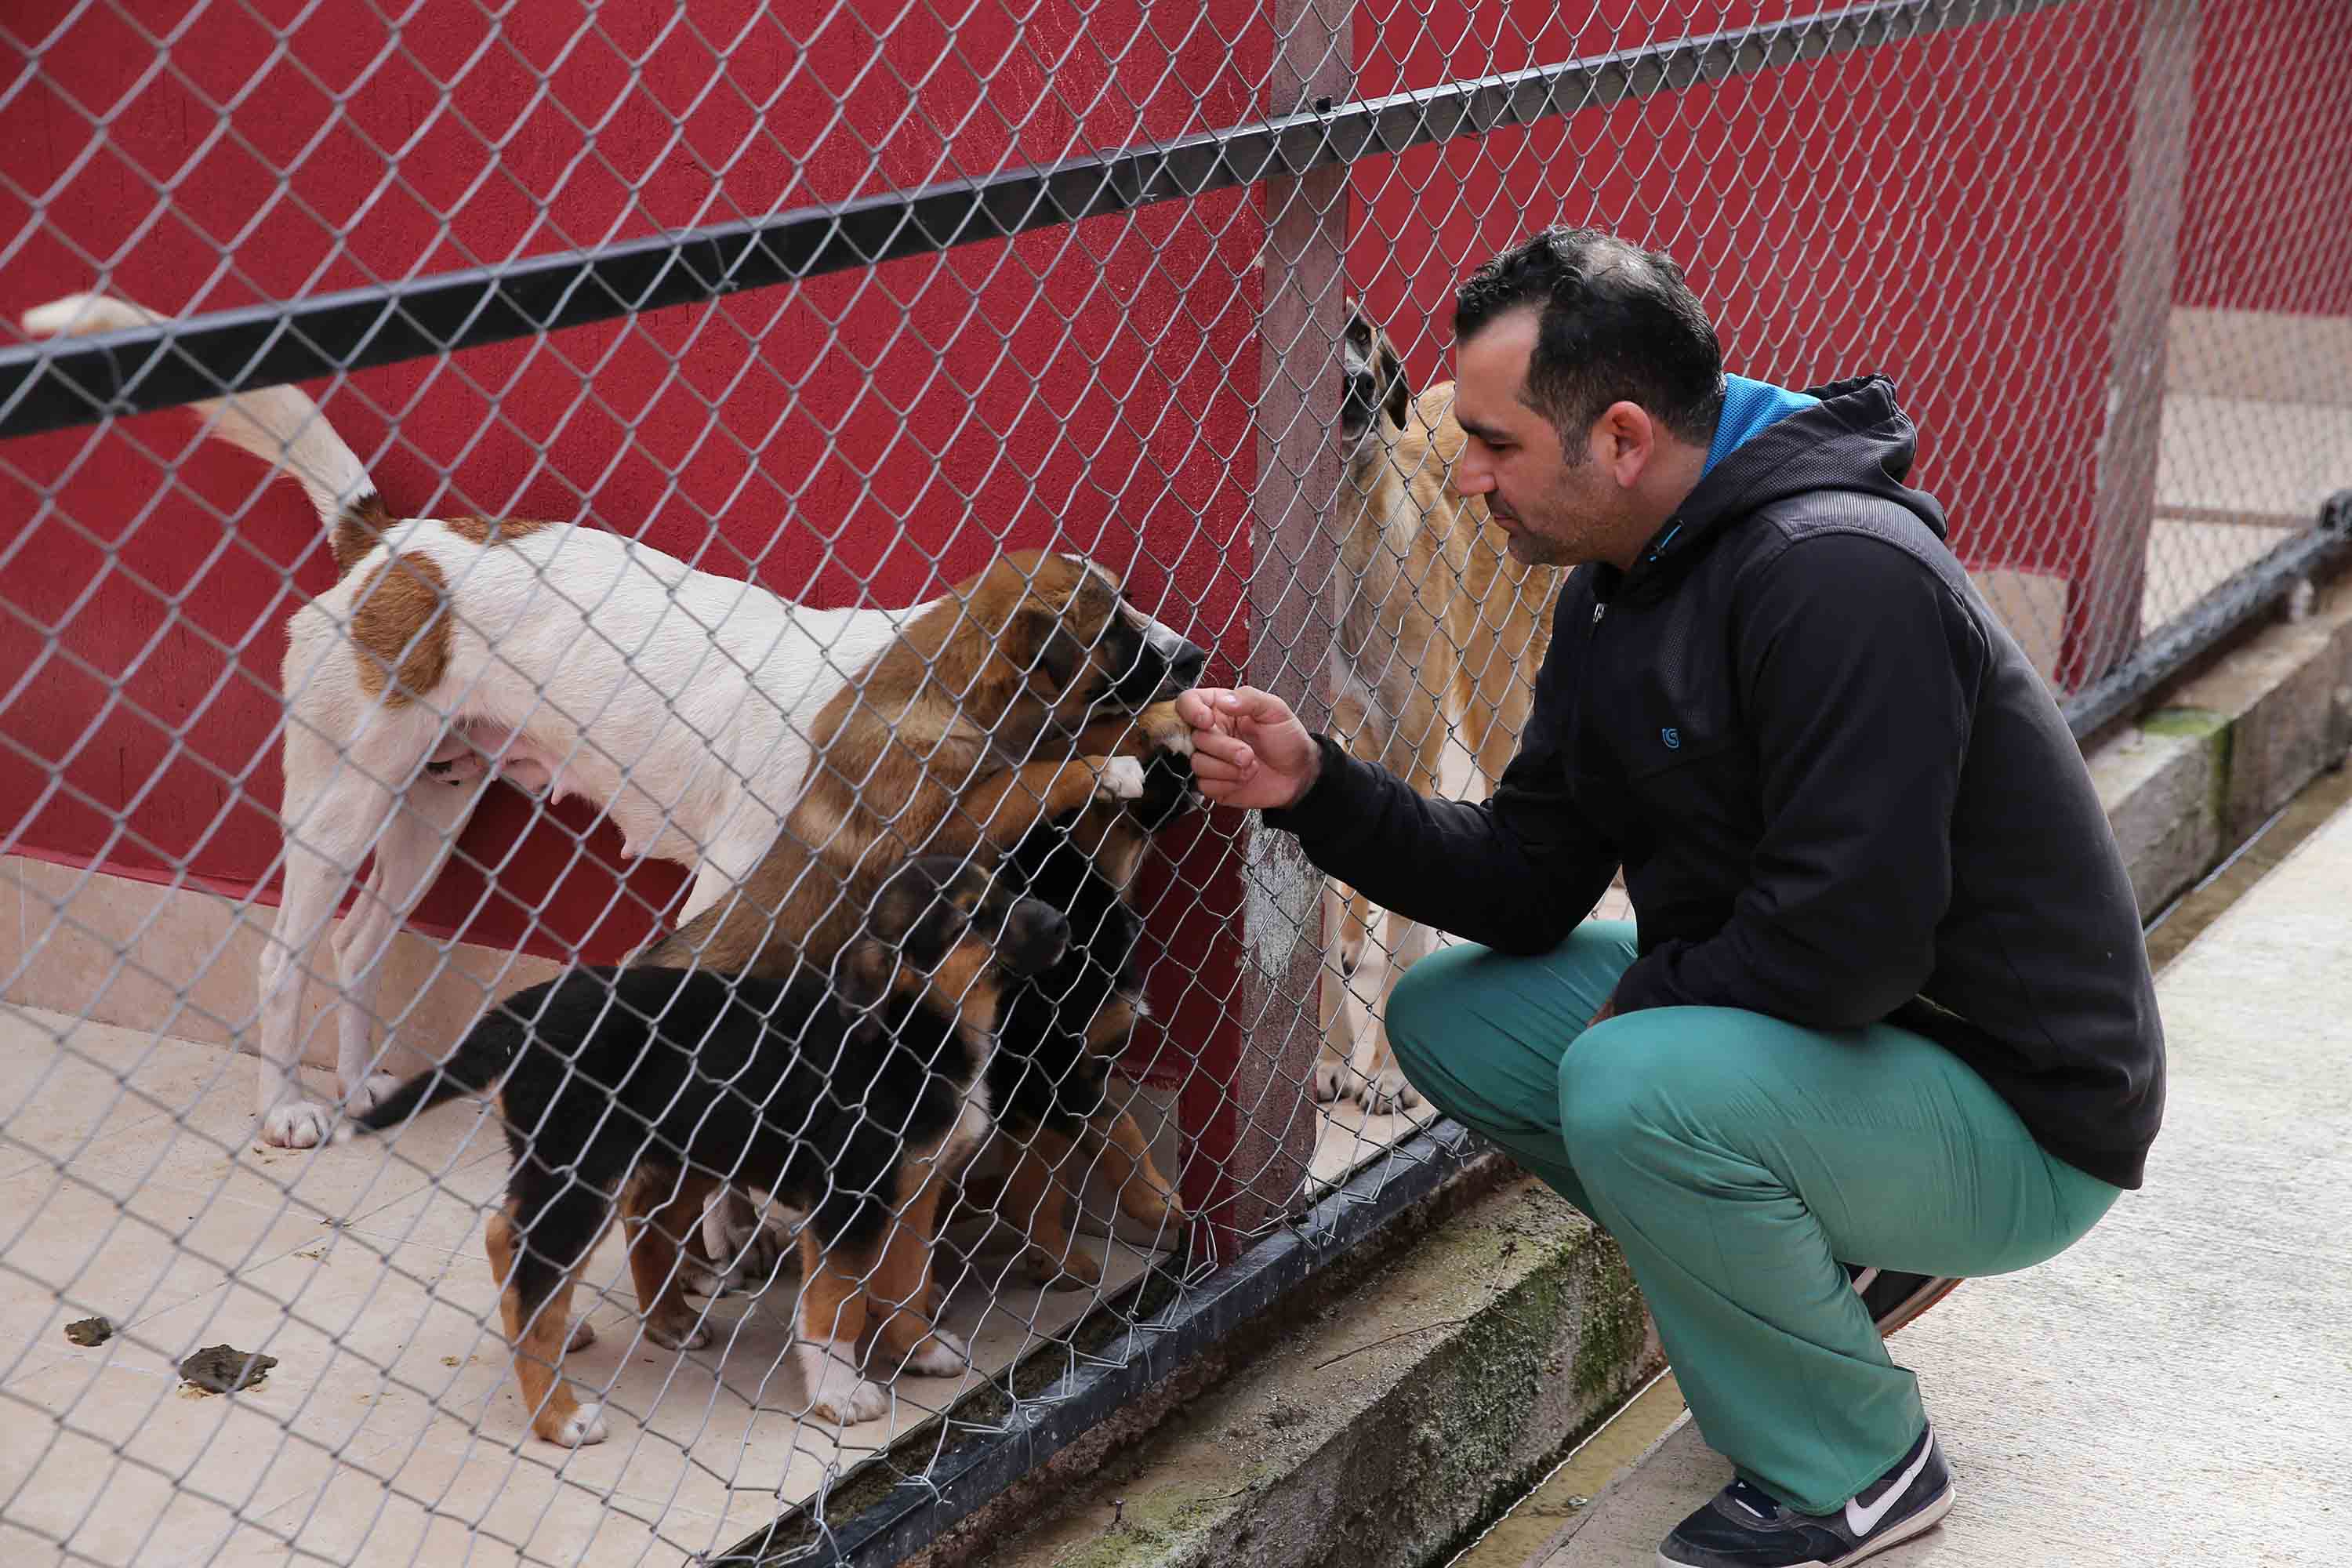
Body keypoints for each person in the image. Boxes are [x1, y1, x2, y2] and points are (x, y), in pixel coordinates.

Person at [1177, 227, 2163, 1568]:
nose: (1463, 477)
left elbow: (1850, 939)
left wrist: (1635, 1026)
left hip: (2020, 1113)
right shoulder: (1619, 583)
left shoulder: (1834, 573)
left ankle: (1857, 1465)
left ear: (1624, 438)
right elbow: (1526, 881)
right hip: (1855, 1051)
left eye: (1493, 442)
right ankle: (1830, 1276)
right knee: (1457, 1015)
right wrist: (1317, 789)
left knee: (1631, 1081)